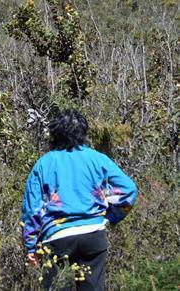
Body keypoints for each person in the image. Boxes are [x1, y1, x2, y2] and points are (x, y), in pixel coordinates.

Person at [21, 109, 137, 290]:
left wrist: (30, 246)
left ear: (55, 133)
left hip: (56, 238)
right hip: (93, 234)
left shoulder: (44, 163)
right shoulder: (97, 159)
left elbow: (32, 209)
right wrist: (109, 217)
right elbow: (127, 190)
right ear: (83, 132)